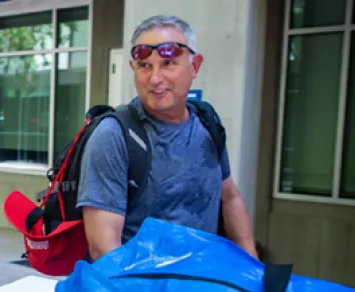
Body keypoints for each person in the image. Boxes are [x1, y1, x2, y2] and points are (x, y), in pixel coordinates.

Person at [77, 15, 258, 261]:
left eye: (168, 63)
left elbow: (230, 197)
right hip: (142, 290)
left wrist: (253, 268)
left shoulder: (208, 122)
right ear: (133, 69)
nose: (155, 78)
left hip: (203, 284)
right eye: (145, 66)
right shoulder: (115, 136)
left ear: (194, 66)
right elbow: (103, 247)